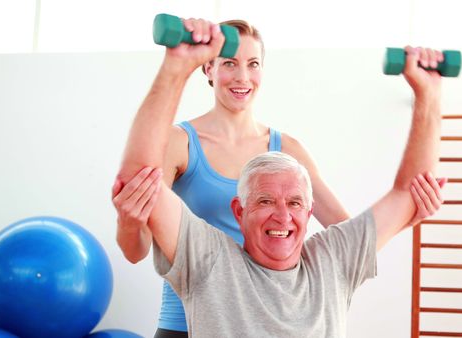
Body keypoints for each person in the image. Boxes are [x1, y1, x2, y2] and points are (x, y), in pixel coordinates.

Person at [113, 17, 445, 337]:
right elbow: (137, 232)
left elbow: (351, 233)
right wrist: (176, 67)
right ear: (209, 67)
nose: (242, 76)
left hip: (276, 301)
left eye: (253, 63)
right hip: (197, 306)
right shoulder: (178, 146)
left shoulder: (288, 150)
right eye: (229, 62)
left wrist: (407, 210)